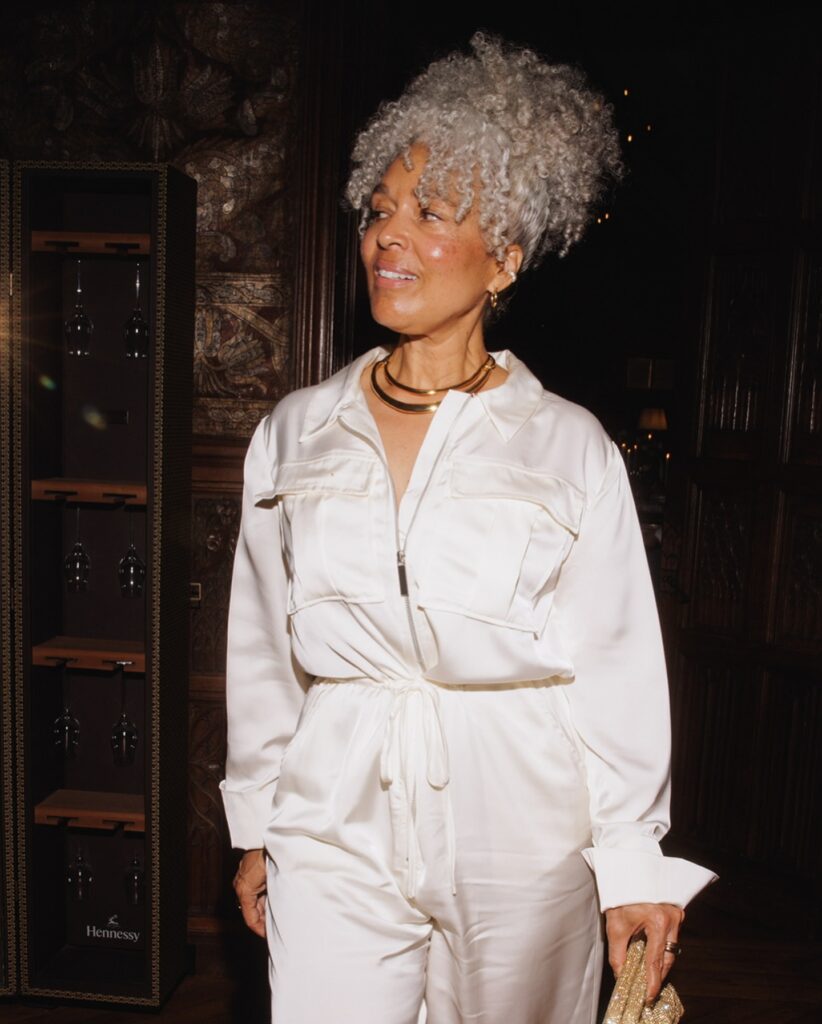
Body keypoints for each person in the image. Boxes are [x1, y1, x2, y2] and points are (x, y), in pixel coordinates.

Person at [220, 31, 717, 1024]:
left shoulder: (568, 447)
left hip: (519, 818)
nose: (386, 237)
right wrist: (259, 821)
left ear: (507, 258)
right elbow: (265, 650)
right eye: (377, 210)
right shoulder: (295, 433)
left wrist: (631, 863)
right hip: (336, 805)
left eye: (429, 213)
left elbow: (615, 671)